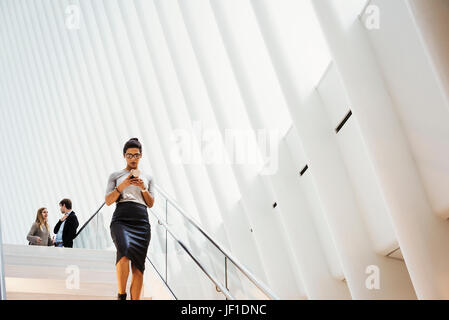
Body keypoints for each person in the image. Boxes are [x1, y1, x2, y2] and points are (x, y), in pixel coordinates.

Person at [105, 137, 155, 300]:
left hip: (141, 221)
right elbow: (108, 201)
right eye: (129, 155)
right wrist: (124, 184)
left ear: (141, 156)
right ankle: (121, 294)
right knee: (124, 253)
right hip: (121, 218)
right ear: (124, 156)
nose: (133, 158)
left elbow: (151, 203)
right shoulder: (115, 175)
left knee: (139, 267)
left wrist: (143, 188)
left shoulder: (148, 177)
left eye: (136, 155)